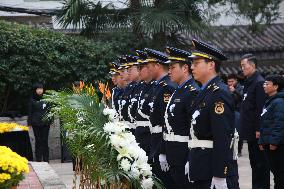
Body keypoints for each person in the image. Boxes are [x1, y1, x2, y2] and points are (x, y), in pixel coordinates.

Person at [186, 39, 239, 189]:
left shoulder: (218, 93)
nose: (191, 67)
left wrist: (220, 174)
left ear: (211, 65)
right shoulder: (206, 91)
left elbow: (222, 137)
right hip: (202, 166)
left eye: (196, 63)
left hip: (212, 170)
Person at [160, 46, 199, 188]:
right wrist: (164, 151)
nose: (169, 71)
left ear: (185, 69)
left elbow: (194, 128)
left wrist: (191, 158)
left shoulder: (192, 92)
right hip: (173, 153)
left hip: (183, 153)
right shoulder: (178, 90)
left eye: (173, 67)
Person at [144, 48, 176, 188]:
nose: (147, 70)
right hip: (155, 140)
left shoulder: (166, 87)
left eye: (149, 66)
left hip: (162, 143)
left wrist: (163, 150)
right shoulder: (158, 86)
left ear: (157, 66)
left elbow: (166, 122)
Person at [239, 53, 270, 189]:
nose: (242, 68)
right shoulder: (249, 82)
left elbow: (260, 108)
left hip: (257, 133)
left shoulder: (258, 82)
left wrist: (259, 129)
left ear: (252, 65)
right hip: (250, 132)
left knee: (260, 165)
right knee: (254, 164)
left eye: (244, 65)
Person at [259, 75, 284, 189]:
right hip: (268, 143)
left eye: (267, 84)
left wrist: (274, 142)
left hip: (276, 145)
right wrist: (262, 141)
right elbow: (265, 123)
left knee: (279, 174)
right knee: (277, 173)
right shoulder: (270, 101)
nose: (264, 86)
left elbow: (280, 123)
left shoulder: (279, 102)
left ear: (276, 86)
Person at [134, 50, 154, 157]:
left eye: (140, 68)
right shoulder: (143, 87)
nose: (139, 71)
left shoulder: (155, 87)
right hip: (141, 135)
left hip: (149, 137)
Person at [28, 83, 52, 162]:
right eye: (38, 89)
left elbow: (50, 111)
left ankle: (46, 159)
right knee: (38, 140)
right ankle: (38, 159)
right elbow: (30, 112)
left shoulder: (46, 99)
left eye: (41, 89)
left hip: (45, 123)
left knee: (45, 140)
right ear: (35, 90)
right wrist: (29, 123)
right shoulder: (32, 100)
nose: (40, 90)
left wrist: (51, 120)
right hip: (36, 123)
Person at [227, 74, 244, 156]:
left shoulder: (240, 88)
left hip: (238, 111)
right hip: (229, 111)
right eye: (229, 81)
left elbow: (241, 98)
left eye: (232, 81)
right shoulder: (226, 88)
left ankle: (239, 149)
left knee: (238, 130)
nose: (230, 83)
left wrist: (234, 91)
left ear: (236, 81)